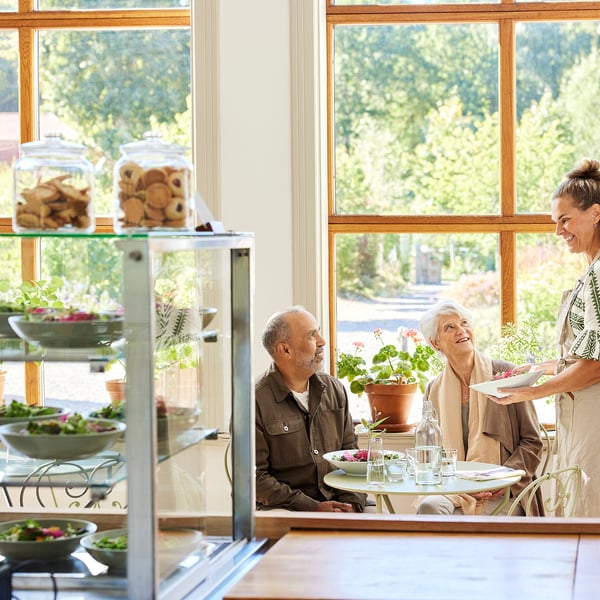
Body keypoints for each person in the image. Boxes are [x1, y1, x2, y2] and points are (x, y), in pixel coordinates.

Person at [491, 158, 600, 517]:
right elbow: (583, 353)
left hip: (593, 419)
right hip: (580, 417)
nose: (558, 231)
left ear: (596, 213)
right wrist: (537, 368)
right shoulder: (590, 273)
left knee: (586, 517)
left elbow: (595, 367)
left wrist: (533, 392)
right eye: (555, 221)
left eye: (565, 219)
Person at [416, 300, 544, 516]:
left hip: (505, 491)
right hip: (452, 489)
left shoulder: (505, 376)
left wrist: (499, 479)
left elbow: (532, 441)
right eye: (450, 327)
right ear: (435, 342)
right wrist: (456, 483)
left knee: (468, 521)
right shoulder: (433, 390)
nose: (461, 330)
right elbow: (430, 452)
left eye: (465, 323)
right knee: (429, 507)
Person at [255, 306, 366, 512]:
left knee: (388, 526)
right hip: (285, 509)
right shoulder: (253, 401)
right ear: (285, 350)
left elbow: (352, 456)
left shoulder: (334, 388)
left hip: (339, 500)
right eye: (311, 335)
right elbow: (254, 479)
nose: (322, 341)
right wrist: (314, 507)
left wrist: (351, 503)